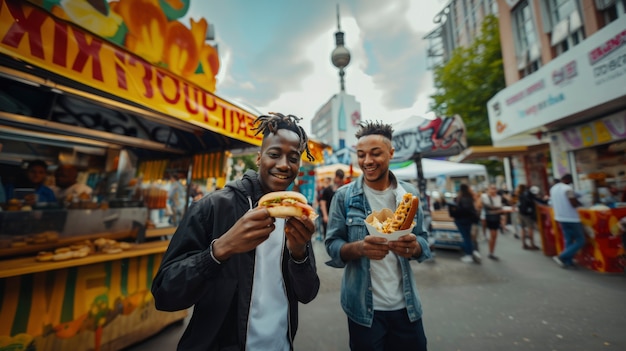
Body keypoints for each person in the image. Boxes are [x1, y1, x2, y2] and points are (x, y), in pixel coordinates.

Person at [151, 112, 319, 350]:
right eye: (274, 154)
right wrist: (220, 249)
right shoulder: (211, 207)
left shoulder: (296, 213)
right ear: (259, 158)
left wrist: (299, 254)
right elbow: (165, 294)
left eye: (293, 158)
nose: (284, 165)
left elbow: (307, 293)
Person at [325, 121, 431, 351]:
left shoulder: (409, 194)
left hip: (407, 307)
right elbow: (332, 245)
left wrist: (415, 248)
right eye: (361, 155)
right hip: (364, 311)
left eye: (375, 153)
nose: (367, 161)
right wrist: (359, 248)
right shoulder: (344, 197)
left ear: (391, 153)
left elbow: (423, 239)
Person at [550, 174, 585, 269]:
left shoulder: (553, 188)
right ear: (567, 179)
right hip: (572, 218)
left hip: (560, 217)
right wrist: (581, 204)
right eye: (570, 181)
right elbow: (573, 203)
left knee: (568, 240)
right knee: (580, 240)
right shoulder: (567, 189)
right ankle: (561, 257)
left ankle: (568, 261)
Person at [453, 184, 481, 263]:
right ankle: (472, 252)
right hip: (467, 220)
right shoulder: (469, 197)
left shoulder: (462, 198)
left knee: (466, 237)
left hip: (463, 220)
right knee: (468, 237)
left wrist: (456, 212)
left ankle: (469, 254)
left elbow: (464, 210)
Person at [319, 169, 345, 240]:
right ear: (335, 177)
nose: (339, 180)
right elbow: (323, 202)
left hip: (340, 218)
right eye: (339, 178)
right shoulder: (328, 189)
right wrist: (325, 215)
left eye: (341, 179)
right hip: (329, 216)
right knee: (328, 237)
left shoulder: (343, 189)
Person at [481, 184, 505, 260]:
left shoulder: (498, 197)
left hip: (496, 218)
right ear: (488, 189)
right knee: (493, 235)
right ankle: (490, 252)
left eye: (494, 189)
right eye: (492, 188)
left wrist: (499, 212)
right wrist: (498, 209)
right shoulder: (485, 196)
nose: (493, 190)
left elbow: (499, 208)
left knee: (495, 236)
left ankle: (491, 252)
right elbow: (489, 208)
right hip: (489, 218)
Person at [516, 184, 543, 250]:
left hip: (521, 213)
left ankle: (524, 244)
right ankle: (532, 244)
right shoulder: (530, 195)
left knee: (522, 228)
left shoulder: (521, 194)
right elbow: (538, 201)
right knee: (530, 228)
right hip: (527, 214)